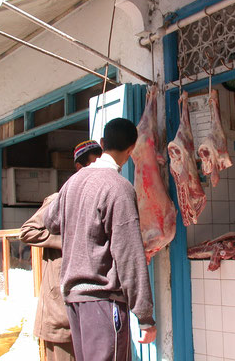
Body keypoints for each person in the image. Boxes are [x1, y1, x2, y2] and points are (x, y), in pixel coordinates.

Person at [44, 118, 156, 361]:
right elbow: (129, 255)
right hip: (103, 302)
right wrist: (145, 316)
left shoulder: (72, 182)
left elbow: (50, 222)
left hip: (74, 301)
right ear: (131, 150)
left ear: (103, 143)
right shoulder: (119, 188)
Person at [20, 140, 102, 361]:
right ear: (79, 167)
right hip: (59, 314)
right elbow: (27, 231)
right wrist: (66, 239)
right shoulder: (59, 199)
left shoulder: (100, 200)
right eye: (92, 165)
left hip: (89, 311)